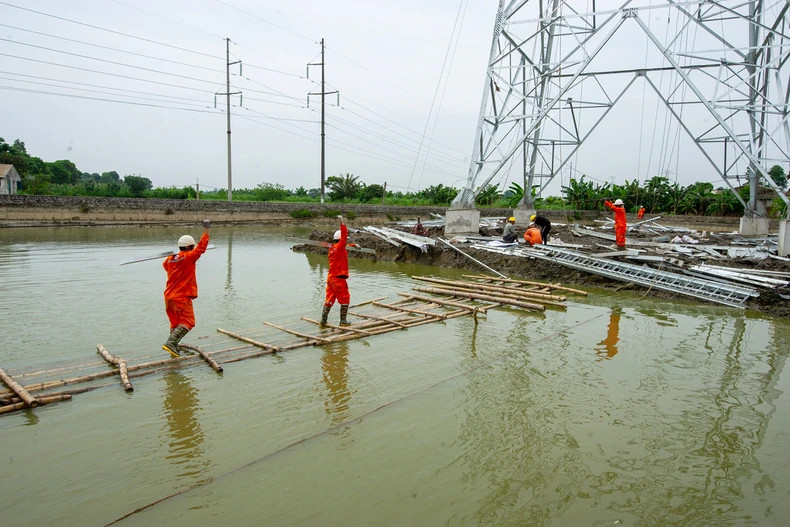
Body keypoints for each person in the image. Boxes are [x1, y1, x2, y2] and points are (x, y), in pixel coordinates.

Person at [162, 220, 211, 357]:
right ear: (190, 247)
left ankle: (173, 348)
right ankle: (171, 343)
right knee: (188, 322)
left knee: (175, 323)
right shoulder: (188, 257)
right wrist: (206, 229)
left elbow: (165, 266)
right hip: (181, 297)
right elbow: (201, 248)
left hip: (169, 297)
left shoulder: (170, 259)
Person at [321, 215, 354, 326]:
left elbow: (343, 246)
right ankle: (343, 321)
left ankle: (323, 321)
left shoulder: (332, 248)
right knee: (345, 299)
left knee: (329, 299)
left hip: (331, 278)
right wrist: (342, 223)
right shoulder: (339, 247)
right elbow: (344, 238)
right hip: (339, 279)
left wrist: (353, 245)